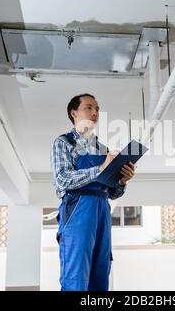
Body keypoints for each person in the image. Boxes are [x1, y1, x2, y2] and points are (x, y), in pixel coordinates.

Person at [50, 93, 135, 291]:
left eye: (97, 108)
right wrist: (100, 169)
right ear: (74, 113)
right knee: (76, 275)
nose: (95, 112)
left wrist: (122, 181)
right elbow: (62, 179)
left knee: (101, 272)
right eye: (89, 107)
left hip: (102, 209)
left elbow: (113, 193)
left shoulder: (103, 149)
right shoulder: (63, 143)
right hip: (77, 208)